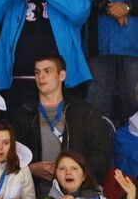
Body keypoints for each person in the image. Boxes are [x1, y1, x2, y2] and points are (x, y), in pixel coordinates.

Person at [10, 55, 114, 189]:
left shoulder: (86, 113)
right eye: (37, 72)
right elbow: (8, 159)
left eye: (47, 71)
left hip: (79, 195)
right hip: (36, 195)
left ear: (62, 75)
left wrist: (71, 173)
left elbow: (102, 158)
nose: (41, 76)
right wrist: (30, 169)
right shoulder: (24, 114)